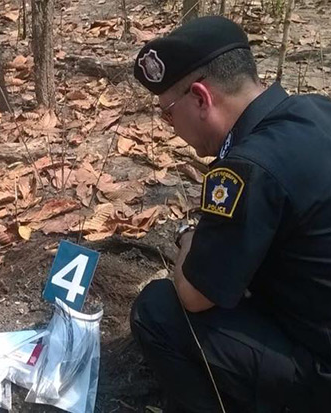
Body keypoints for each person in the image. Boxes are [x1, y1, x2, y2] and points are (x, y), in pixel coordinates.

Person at [130, 16, 331, 412]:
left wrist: (189, 236)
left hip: (319, 370)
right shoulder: (317, 110)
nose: (170, 127)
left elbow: (194, 296)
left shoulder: (247, 168)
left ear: (201, 98)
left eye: (168, 113)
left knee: (158, 310)